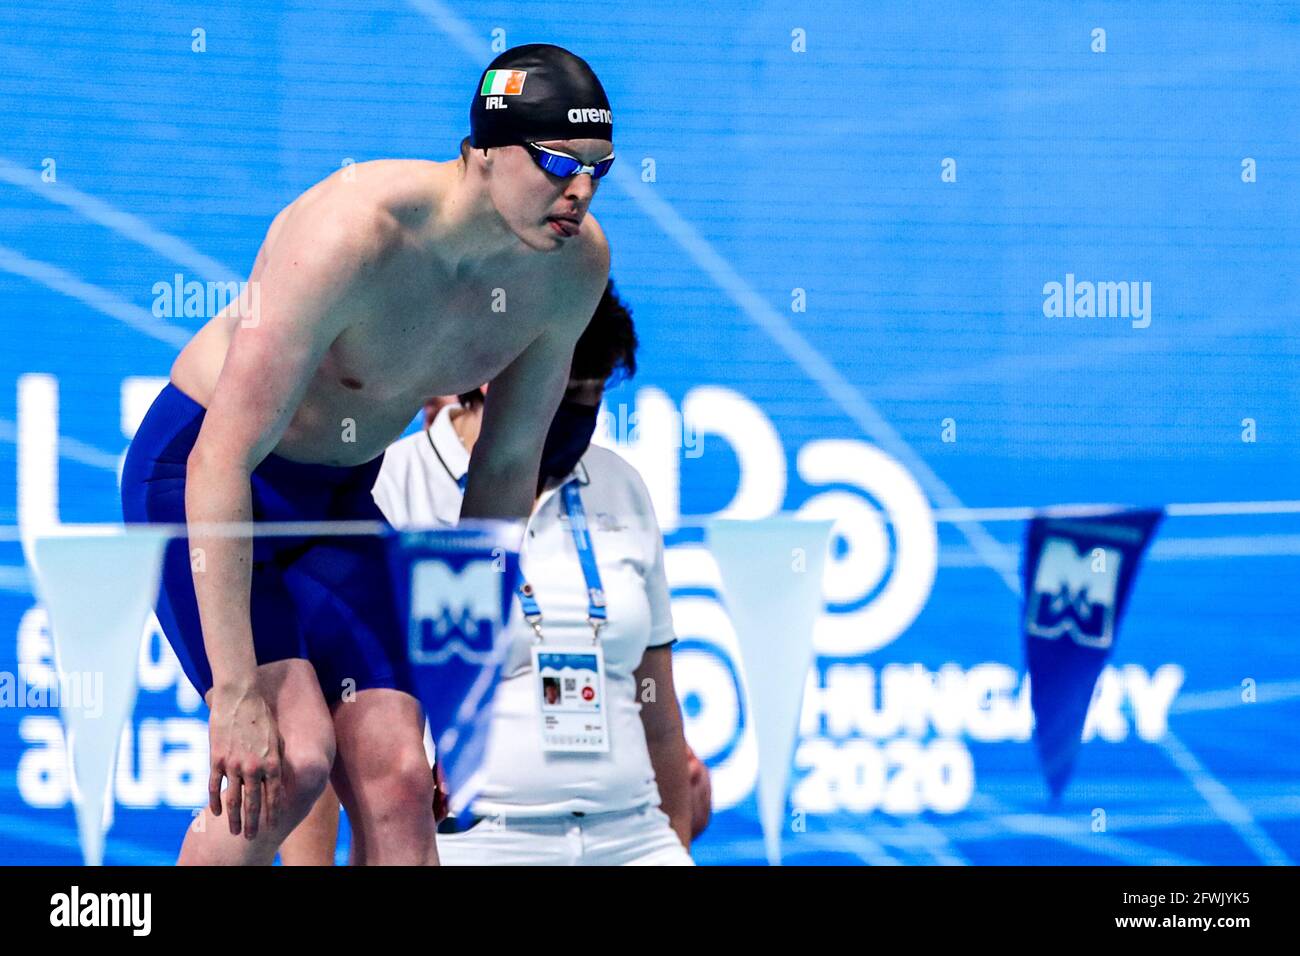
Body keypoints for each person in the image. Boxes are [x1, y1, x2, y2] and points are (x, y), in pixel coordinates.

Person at [119, 43, 616, 865]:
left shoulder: (572, 267)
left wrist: (464, 706)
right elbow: (221, 459)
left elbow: (500, 475)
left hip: (338, 499)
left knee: (396, 780)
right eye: (559, 162)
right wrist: (236, 693)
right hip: (201, 478)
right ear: (483, 151)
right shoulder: (352, 232)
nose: (581, 191)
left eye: (600, 168)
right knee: (293, 759)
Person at [284, 280, 704, 865]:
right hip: (475, 840)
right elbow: (330, 717)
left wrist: (674, 846)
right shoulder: (390, 488)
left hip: (633, 835)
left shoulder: (620, 485)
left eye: (595, 396)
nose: (580, 416)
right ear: (495, 375)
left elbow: (657, 708)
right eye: (566, 394)